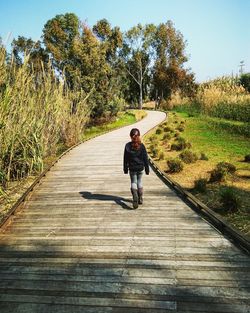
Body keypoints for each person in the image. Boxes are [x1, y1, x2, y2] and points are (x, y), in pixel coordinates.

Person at [123, 128, 149, 209]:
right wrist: (147, 169)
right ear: (139, 135)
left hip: (132, 168)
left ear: (130, 136)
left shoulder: (127, 146)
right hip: (140, 168)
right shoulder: (142, 146)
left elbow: (125, 158)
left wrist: (125, 168)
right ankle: (140, 198)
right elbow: (145, 158)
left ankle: (135, 197)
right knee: (139, 182)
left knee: (134, 182)